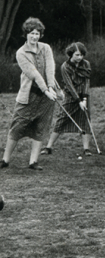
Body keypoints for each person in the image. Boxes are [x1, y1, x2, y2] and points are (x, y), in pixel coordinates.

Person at [1, 17, 59, 171]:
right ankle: (5, 159)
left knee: (41, 127)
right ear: (26, 34)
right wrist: (46, 90)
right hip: (29, 96)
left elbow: (50, 68)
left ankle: (33, 162)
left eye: (37, 34)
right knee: (17, 126)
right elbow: (33, 73)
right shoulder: (21, 53)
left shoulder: (46, 48)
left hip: (46, 98)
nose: (34, 37)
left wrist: (51, 87)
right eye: (32, 33)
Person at [45, 42, 93, 156]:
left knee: (85, 120)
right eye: (77, 55)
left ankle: (86, 149)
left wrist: (84, 99)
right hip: (70, 96)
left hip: (83, 96)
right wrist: (78, 100)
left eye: (81, 55)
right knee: (61, 119)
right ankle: (48, 147)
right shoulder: (65, 67)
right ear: (71, 54)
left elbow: (87, 82)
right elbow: (69, 85)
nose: (80, 57)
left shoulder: (86, 64)